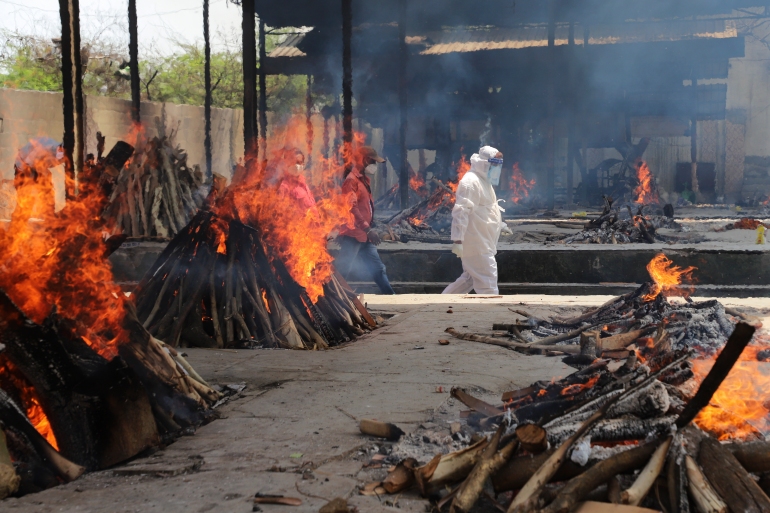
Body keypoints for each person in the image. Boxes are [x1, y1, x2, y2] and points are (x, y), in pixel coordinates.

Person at [442, 146, 506, 295]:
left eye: (499, 165)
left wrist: (501, 225)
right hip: (477, 243)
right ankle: (490, 315)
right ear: (484, 163)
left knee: (469, 279)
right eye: (494, 164)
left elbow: (487, 209)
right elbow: (461, 212)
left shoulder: (484, 181)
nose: (497, 168)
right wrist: (457, 240)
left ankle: (440, 303)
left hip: (483, 240)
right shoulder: (471, 182)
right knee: (487, 281)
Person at [335, 146, 396, 295]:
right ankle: (332, 297)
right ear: (365, 160)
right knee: (343, 271)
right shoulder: (351, 181)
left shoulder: (363, 181)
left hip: (365, 235)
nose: (375, 166)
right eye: (373, 162)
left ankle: (391, 297)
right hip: (353, 235)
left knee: (378, 268)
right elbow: (351, 208)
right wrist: (367, 229)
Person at [278, 148, 318, 217]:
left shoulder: (303, 184)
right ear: (287, 163)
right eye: (294, 162)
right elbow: (282, 215)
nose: (297, 166)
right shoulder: (284, 186)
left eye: (299, 163)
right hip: (299, 226)